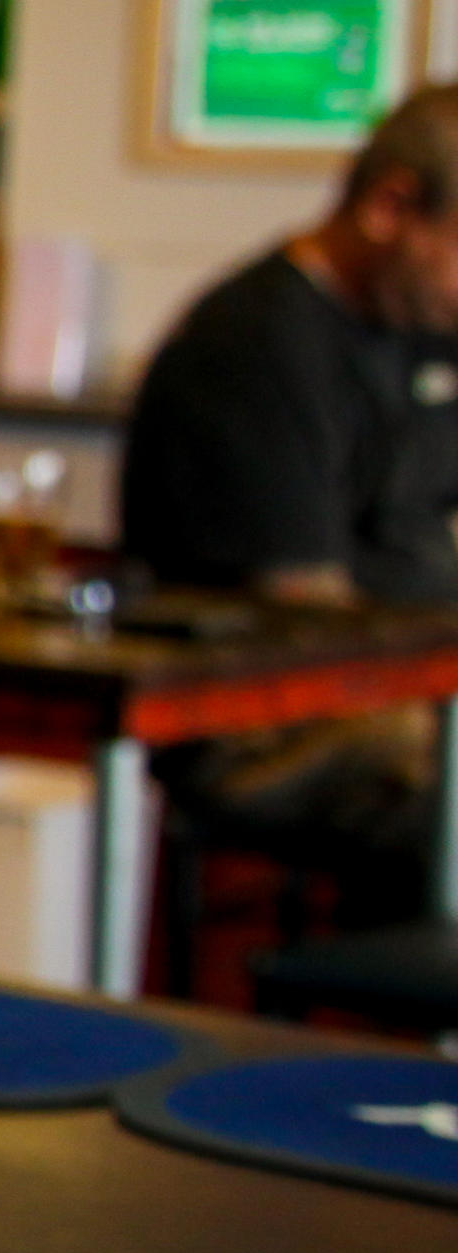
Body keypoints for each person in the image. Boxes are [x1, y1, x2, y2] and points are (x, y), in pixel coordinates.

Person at [110, 82, 458, 877]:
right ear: (391, 207)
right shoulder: (252, 349)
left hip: (420, 689)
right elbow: (309, 623)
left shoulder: (427, 327)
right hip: (264, 717)